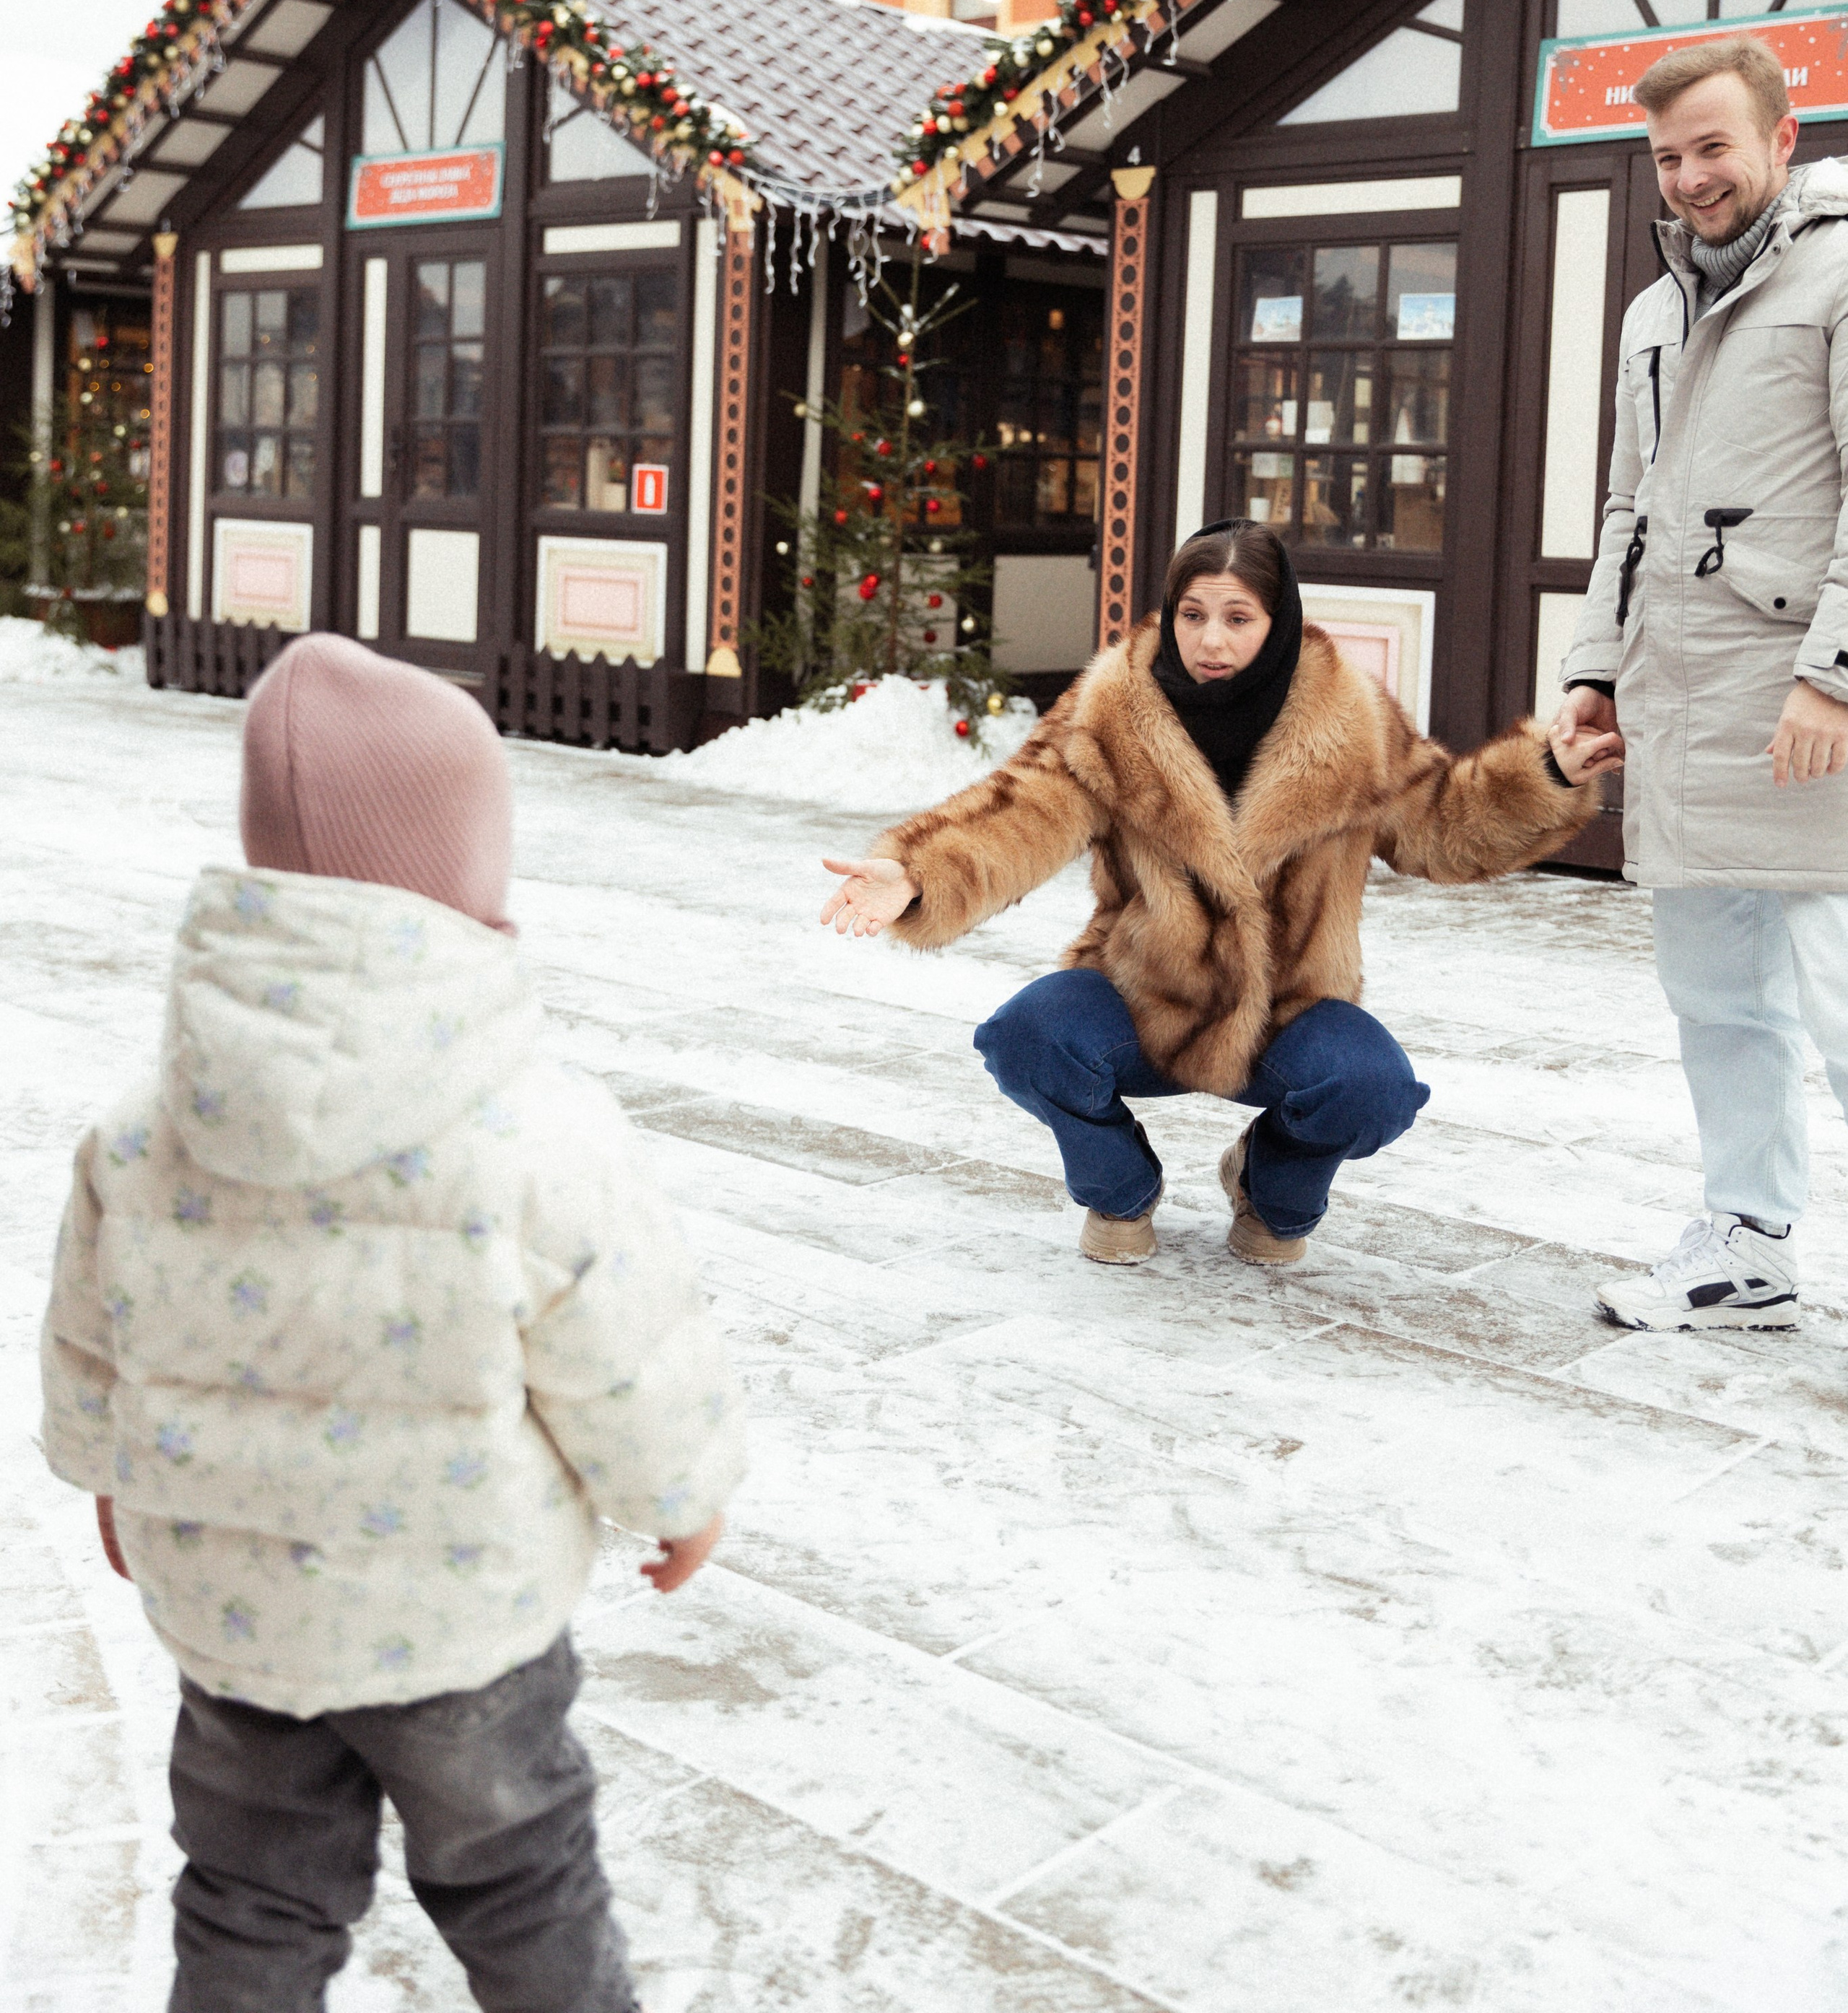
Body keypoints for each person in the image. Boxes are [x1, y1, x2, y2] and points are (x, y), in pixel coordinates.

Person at [39, 634, 745, 2013]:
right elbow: (624, 1345)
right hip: (462, 1621)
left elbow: (90, 1334)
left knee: (249, 1900)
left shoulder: (144, 1125)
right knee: (524, 1881)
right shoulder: (533, 1125)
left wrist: (108, 1478)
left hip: (238, 1615)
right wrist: (684, 1494)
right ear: (465, 867)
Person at [821, 523, 1611, 1267]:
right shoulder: (1112, 710)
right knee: (1026, 1037)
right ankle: (1121, 1193)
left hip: (1288, 1011)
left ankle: (1267, 1186)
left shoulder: (1353, 723)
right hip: (1142, 999)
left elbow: (1442, 822)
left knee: (1373, 1089)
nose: (1210, 639)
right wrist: (919, 874)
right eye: (1192, 613)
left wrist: (1545, 775)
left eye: (1238, 617)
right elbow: (1020, 810)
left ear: (1279, 622)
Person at [1556, 34, 1848, 1332]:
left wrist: (1836, 680)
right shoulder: (1652, 310)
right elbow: (1630, 505)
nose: (1691, 177)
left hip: (1805, 708)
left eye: (1714, 147)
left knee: (1841, 999)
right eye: (1669, 157)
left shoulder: (1841, 272)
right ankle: (1748, 1246)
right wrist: (1593, 672)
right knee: (1714, 997)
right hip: (1683, 706)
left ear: (1784, 140)